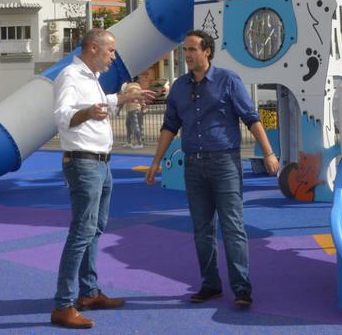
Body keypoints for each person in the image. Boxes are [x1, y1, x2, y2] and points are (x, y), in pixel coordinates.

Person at [145, 29, 280, 308]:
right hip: (193, 165)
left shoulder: (228, 80)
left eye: (192, 49)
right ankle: (211, 284)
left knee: (232, 227)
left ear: (207, 51)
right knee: (201, 229)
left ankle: (241, 288)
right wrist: (156, 161)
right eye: (185, 50)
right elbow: (170, 126)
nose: (187, 55)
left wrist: (268, 153)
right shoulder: (180, 87)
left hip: (225, 163)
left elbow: (251, 118)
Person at [51, 28, 154, 329]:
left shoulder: (89, 79)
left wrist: (121, 98)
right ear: (94, 48)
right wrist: (88, 113)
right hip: (84, 163)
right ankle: (63, 303)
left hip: (98, 163)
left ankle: (89, 292)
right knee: (82, 231)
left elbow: (97, 105)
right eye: (110, 51)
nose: (113, 57)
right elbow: (62, 116)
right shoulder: (70, 76)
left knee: (94, 229)